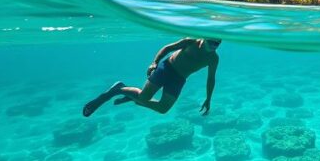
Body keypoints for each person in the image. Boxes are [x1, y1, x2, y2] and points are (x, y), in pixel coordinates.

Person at [83, 37, 220, 116]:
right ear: (204, 37)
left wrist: (208, 99)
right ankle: (118, 89)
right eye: (212, 42)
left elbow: (211, 79)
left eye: (217, 44)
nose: (214, 46)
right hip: (166, 68)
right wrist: (155, 63)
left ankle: (132, 96)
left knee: (163, 109)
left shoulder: (213, 58)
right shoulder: (191, 42)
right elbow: (168, 48)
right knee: (144, 98)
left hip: (179, 79)